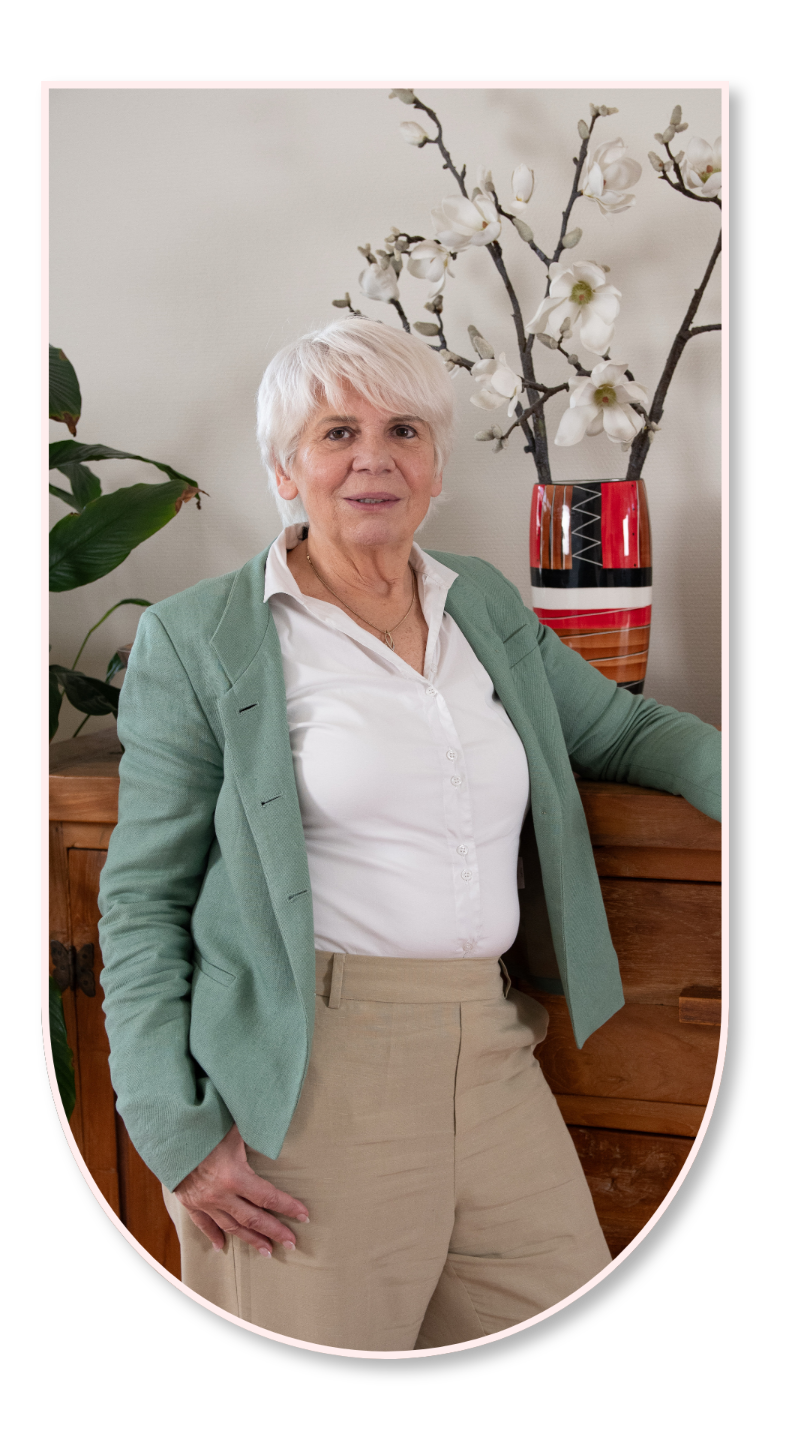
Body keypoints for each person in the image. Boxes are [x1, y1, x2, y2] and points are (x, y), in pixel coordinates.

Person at [97, 318, 721, 1353]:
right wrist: (174, 1128)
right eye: (337, 432)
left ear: (436, 464)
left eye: (404, 430)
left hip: (495, 1049)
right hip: (308, 1075)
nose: (374, 458)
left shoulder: (480, 601)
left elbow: (619, 729)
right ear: (285, 470)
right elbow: (141, 900)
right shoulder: (200, 636)